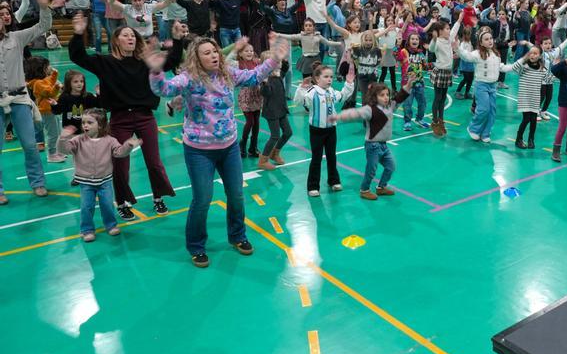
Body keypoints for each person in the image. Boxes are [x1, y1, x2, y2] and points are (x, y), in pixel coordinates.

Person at [148, 35, 288, 267]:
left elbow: (254, 76)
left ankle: (237, 236)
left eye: (214, 51)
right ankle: (196, 245)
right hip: (199, 150)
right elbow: (165, 89)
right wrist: (156, 71)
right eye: (206, 53)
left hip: (229, 147)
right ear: (196, 58)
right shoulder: (189, 79)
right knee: (202, 200)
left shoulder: (228, 74)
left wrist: (274, 58)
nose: (213, 55)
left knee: (236, 195)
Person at [69, 14, 177, 220]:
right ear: (116, 40)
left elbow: (170, 62)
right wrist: (78, 33)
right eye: (125, 35)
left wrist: (178, 41)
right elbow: (77, 56)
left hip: (145, 117)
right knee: (120, 164)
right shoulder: (105, 62)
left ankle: (158, 197)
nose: (131, 38)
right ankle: (123, 202)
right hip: (120, 119)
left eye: (133, 36)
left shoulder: (145, 62)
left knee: (154, 162)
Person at [57, 109, 140, 242]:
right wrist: (63, 138)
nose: (85, 125)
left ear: (100, 125)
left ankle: (111, 225)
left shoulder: (110, 140)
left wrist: (128, 146)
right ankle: (87, 230)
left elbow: (119, 153)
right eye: (83, 122)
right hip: (86, 183)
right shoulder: (78, 140)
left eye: (90, 122)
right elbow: (63, 150)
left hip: (105, 182)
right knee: (86, 207)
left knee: (107, 204)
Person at [0, 0, 51, 204]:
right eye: (0, 13)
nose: (5, 16)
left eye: (6, 13)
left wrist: (45, 7)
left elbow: (43, 26)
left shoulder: (17, 38)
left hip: (19, 98)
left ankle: (38, 182)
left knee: (30, 144)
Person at [331, 78, 414, 200]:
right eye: (382, 95)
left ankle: (381, 187)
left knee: (391, 166)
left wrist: (409, 85)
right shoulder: (370, 109)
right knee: (371, 169)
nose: (386, 97)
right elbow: (355, 113)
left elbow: (401, 96)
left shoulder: (390, 106)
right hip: (372, 145)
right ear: (375, 97)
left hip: (384, 146)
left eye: (387, 95)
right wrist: (338, 116)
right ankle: (364, 189)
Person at [294, 58, 355, 198]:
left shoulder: (332, 91)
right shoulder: (313, 92)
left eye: (331, 77)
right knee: (316, 158)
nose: (329, 80)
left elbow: (343, 95)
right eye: (326, 77)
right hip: (317, 131)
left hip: (331, 130)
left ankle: (333, 181)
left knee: (331, 156)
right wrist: (301, 88)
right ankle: (313, 186)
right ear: (316, 78)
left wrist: (349, 83)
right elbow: (299, 101)